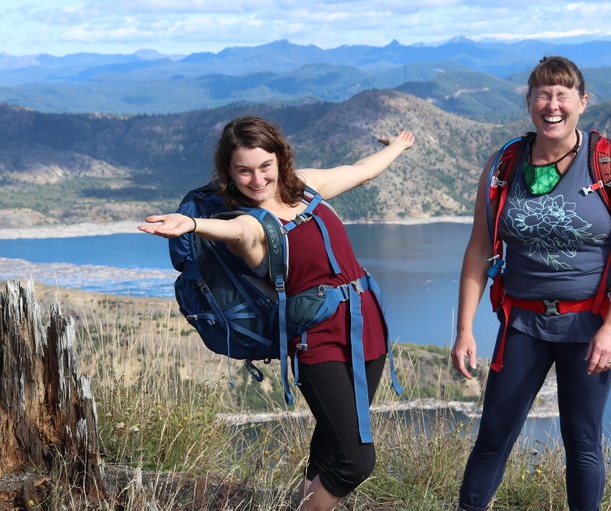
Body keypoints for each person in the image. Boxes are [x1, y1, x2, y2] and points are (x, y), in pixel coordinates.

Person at [139, 115, 414, 510]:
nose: (257, 179)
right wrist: (194, 224)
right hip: (317, 340)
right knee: (355, 460)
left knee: (330, 448)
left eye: (265, 166)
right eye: (244, 171)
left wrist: (398, 146)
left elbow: (360, 172)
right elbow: (239, 235)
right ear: (229, 174)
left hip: (366, 325)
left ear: (280, 159)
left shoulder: (304, 186)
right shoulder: (246, 222)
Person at [450, 56, 611, 511]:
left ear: (582, 102)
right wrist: (464, 329)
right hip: (522, 325)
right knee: (493, 436)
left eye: (562, 95)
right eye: (542, 94)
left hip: (588, 327)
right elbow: (479, 249)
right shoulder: (503, 164)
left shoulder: (609, 163)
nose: (552, 105)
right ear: (529, 101)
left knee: (582, 443)